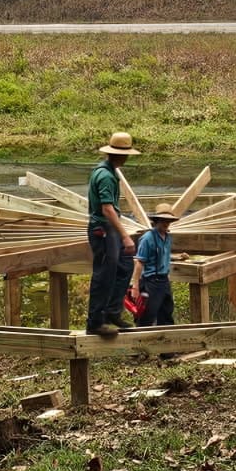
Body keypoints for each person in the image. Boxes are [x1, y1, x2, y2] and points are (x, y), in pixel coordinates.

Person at [86, 129, 139, 337]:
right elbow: (107, 209)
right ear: (118, 154)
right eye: (125, 154)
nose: (126, 158)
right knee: (104, 275)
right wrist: (125, 236)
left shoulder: (107, 171)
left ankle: (112, 311)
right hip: (103, 230)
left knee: (125, 266)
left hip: (108, 229)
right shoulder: (106, 176)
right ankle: (95, 322)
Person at [131, 204, 178, 327]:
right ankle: (140, 342)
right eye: (163, 220)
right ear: (156, 220)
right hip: (151, 282)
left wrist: (178, 257)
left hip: (164, 281)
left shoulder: (167, 238)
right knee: (147, 316)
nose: (166, 223)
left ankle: (165, 342)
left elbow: (164, 256)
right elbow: (140, 261)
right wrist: (135, 286)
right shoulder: (147, 238)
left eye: (168, 221)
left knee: (167, 314)